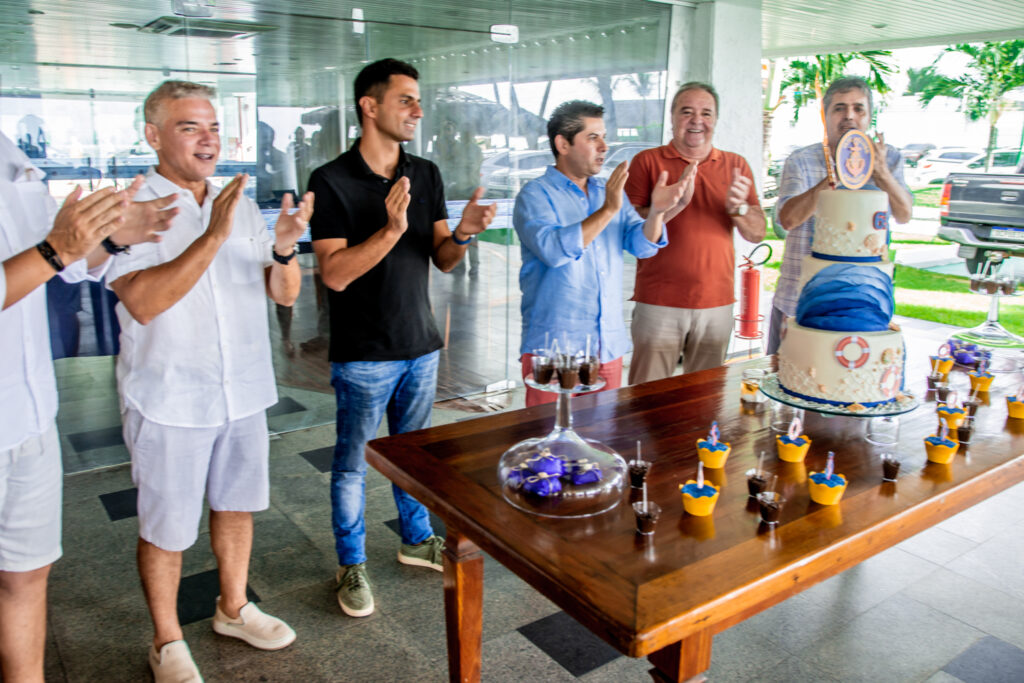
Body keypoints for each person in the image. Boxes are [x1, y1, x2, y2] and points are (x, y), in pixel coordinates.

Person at [106, 80, 313, 682]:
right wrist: (212, 235)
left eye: (214, 127)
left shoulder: (237, 200)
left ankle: (233, 605)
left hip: (242, 386)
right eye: (189, 127)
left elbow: (283, 295)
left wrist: (283, 251)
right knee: (167, 526)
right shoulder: (130, 207)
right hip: (169, 394)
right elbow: (143, 301)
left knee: (237, 505)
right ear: (153, 135)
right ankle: (167, 640)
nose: (208, 140)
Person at [308, 58, 496, 619]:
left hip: (420, 345)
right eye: (406, 99)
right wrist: (390, 230)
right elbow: (335, 274)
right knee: (351, 464)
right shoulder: (331, 180)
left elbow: (442, 260)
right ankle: (351, 564)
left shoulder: (426, 173)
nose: (418, 109)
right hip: (364, 353)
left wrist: (463, 232)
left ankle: (416, 540)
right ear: (370, 106)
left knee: (413, 457)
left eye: (419, 100)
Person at [0, 129, 176, 682]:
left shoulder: (9, 151)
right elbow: (50, 253)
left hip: (27, 412)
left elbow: (55, 261)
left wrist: (110, 240)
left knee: (26, 575)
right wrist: (58, 249)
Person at [514, 100, 687, 406]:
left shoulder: (606, 191)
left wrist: (658, 212)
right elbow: (554, 251)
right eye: (593, 137)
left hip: (606, 344)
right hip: (553, 347)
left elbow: (641, 244)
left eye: (604, 136)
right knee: (547, 444)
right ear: (563, 144)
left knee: (602, 440)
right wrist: (608, 209)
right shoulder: (535, 195)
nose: (604, 146)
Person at [624, 82, 766, 384]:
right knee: (645, 400)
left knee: (704, 400)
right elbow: (629, 227)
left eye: (706, 113)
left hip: (716, 304)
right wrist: (662, 207)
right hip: (659, 302)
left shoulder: (736, 165)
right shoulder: (648, 162)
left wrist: (737, 208)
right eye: (686, 112)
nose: (696, 120)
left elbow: (757, 233)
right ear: (673, 117)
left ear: (715, 120)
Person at [767, 76, 912, 354]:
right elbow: (786, 221)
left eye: (858, 109)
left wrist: (880, 173)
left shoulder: (889, 158)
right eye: (839, 108)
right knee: (785, 382)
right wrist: (830, 180)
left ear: (869, 116)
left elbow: (904, 214)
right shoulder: (801, 161)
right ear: (825, 115)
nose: (849, 116)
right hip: (797, 299)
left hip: (863, 303)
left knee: (849, 388)